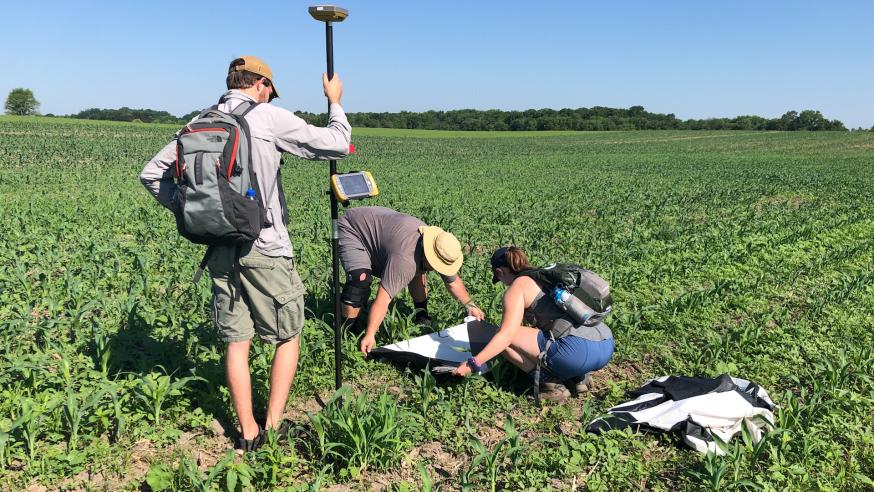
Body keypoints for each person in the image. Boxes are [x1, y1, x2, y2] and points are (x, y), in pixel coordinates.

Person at [140, 56, 350, 449]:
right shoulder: (267, 117)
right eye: (270, 88)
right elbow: (337, 144)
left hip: (218, 249)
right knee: (288, 335)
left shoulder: (198, 123)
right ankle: (272, 425)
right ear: (260, 84)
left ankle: (247, 434)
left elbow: (151, 174)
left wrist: (192, 210)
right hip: (265, 245)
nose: (269, 95)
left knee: (237, 341)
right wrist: (334, 101)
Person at [453, 246, 614, 402]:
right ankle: (579, 379)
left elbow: (506, 336)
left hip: (578, 354)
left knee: (499, 337)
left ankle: (551, 385)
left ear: (499, 272)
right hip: (605, 344)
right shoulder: (546, 276)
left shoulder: (517, 288)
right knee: (557, 333)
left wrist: (473, 364)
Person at [340, 206, 486, 355]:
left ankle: (422, 317)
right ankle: (348, 333)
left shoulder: (438, 245)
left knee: (419, 269)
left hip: (380, 226)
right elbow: (383, 300)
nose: (438, 269)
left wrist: (470, 305)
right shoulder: (405, 259)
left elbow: (453, 282)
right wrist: (370, 334)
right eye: (437, 264)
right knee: (360, 280)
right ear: (429, 254)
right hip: (354, 227)